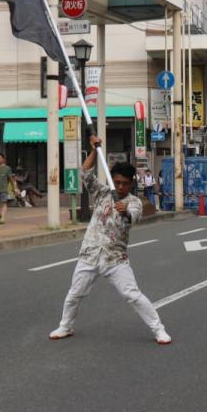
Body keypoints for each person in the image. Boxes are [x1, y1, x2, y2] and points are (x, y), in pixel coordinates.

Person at [50, 134, 171, 345]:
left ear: (131, 183)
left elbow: (130, 218)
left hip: (115, 258)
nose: (121, 186)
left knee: (132, 295)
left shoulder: (135, 203)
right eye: (117, 182)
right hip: (89, 253)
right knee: (74, 294)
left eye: (125, 183)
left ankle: (158, 329)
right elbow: (85, 173)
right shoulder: (102, 193)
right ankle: (65, 326)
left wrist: (124, 211)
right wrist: (94, 151)